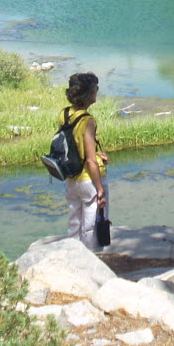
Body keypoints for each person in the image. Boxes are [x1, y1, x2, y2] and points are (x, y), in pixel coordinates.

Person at [62, 71, 108, 250]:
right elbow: (90, 160)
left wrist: (98, 154)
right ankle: (90, 263)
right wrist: (100, 190)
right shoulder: (87, 121)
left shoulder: (65, 114)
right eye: (96, 88)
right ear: (88, 94)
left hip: (71, 176)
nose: (97, 91)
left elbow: (74, 144)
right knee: (90, 226)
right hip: (88, 180)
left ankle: (71, 256)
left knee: (74, 223)